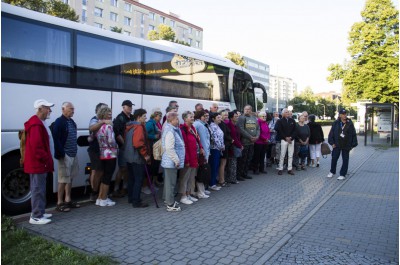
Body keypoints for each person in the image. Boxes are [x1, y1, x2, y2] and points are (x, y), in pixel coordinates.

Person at [25, 99, 55, 224]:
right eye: (47, 108)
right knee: (38, 189)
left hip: (40, 163)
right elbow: (37, 147)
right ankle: (36, 216)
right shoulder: (36, 125)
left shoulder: (40, 123)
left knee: (40, 188)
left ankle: (40, 212)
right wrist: (46, 159)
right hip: (38, 164)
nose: (50, 110)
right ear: (40, 108)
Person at [52, 102, 80, 213]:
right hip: (65, 155)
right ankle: (59, 203)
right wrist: (62, 154)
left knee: (70, 178)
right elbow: (56, 139)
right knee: (63, 179)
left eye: (73, 109)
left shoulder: (71, 122)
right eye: (70, 109)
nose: (73, 111)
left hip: (73, 153)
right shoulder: (59, 122)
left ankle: (68, 199)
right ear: (63, 109)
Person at [124, 109, 151, 208]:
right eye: (144, 116)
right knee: (138, 179)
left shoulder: (129, 126)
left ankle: (131, 198)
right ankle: (136, 201)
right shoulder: (139, 127)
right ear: (139, 117)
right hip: (137, 157)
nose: (145, 118)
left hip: (129, 156)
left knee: (131, 178)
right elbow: (138, 143)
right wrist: (145, 155)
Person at [161, 112, 185, 211]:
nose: (178, 121)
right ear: (171, 120)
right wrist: (176, 160)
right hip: (171, 161)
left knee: (169, 183)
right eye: (176, 119)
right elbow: (169, 148)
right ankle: (170, 204)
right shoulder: (170, 131)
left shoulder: (172, 129)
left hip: (170, 161)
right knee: (171, 183)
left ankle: (167, 200)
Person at [95, 107, 118, 207]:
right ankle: (104, 198)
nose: (110, 115)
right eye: (109, 114)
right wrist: (116, 146)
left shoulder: (99, 125)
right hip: (110, 154)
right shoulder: (108, 126)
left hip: (102, 152)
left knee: (104, 176)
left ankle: (100, 198)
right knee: (107, 177)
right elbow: (111, 141)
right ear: (104, 115)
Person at [179, 111, 203, 204]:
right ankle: (183, 196)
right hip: (188, 158)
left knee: (191, 177)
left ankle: (188, 194)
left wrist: (200, 147)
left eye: (193, 116)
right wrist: (187, 159)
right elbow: (184, 146)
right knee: (184, 178)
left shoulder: (192, 128)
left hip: (194, 157)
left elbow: (197, 139)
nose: (192, 118)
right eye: (190, 117)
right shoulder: (183, 129)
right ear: (185, 119)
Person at [327, 109, 358, 180]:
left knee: (345, 159)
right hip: (337, 144)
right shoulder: (336, 123)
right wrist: (332, 143)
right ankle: (332, 171)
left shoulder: (349, 123)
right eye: (343, 114)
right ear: (340, 115)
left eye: (345, 114)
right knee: (334, 158)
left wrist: (353, 144)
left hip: (346, 144)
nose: (344, 115)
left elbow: (353, 134)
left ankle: (343, 174)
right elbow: (331, 133)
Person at [112, 100, 134, 198]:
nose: (130, 107)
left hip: (132, 147)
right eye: (128, 106)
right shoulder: (119, 118)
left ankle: (125, 188)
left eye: (131, 106)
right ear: (123, 107)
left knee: (128, 169)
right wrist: (125, 145)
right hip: (124, 147)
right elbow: (117, 133)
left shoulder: (132, 117)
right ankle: (116, 189)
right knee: (122, 168)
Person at [88, 103, 109, 201]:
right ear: (98, 111)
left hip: (104, 150)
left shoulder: (107, 120)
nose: (106, 111)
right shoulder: (95, 119)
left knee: (102, 171)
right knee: (96, 171)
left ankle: (101, 193)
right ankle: (93, 192)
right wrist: (103, 122)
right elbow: (92, 128)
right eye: (104, 109)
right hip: (96, 149)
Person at [237, 105, 260, 180]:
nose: (247, 110)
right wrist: (250, 137)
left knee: (249, 159)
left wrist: (257, 136)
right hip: (245, 142)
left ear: (251, 110)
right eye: (245, 109)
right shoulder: (241, 118)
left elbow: (258, 129)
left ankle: (245, 173)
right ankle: (239, 175)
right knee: (242, 159)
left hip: (252, 143)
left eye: (248, 109)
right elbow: (241, 129)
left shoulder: (254, 118)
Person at [193, 110, 211, 198]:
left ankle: (202, 190)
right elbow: (203, 140)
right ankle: (200, 192)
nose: (206, 118)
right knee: (201, 172)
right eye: (204, 116)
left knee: (202, 171)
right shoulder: (199, 125)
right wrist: (206, 153)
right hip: (202, 152)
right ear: (200, 116)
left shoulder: (201, 125)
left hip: (202, 150)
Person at [275, 108, 297, 175]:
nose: (288, 113)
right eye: (286, 112)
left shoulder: (292, 120)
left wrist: (291, 137)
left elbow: (295, 130)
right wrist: (285, 138)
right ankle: (280, 168)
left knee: (290, 155)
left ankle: (289, 169)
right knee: (282, 154)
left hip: (291, 140)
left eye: (288, 112)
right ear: (283, 113)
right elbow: (279, 130)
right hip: (283, 140)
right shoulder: (280, 121)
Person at [145, 108, 163, 187]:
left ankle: (153, 183)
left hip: (155, 148)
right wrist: (154, 136)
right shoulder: (150, 123)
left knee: (155, 166)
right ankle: (148, 185)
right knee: (151, 167)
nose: (160, 118)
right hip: (151, 147)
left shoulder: (155, 123)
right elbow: (144, 134)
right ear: (155, 116)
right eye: (159, 116)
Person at [225, 110, 243, 184]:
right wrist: (240, 145)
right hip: (232, 146)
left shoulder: (235, 125)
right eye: (235, 116)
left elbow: (238, 136)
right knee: (232, 163)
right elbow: (234, 137)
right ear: (231, 118)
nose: (237, 118)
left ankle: (232, 177)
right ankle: (231, 178)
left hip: (236, 145)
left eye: (237, 116)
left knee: (234, 162)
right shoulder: (230, 125)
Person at [209, 112, 225, 191]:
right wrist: (221, 146)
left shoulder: (217, 126)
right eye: (218, 117)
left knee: (216, 166)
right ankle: (212, 184)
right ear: (213, 119)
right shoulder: (212, 126)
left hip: (218, 149)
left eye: (220, 117)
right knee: (214, 166)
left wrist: (222, 145)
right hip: (214, 149)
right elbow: (214, 138)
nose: (220, 119)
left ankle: (213, 183)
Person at [218, 110, 232, 186]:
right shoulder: (221, 124)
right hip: (224, 146)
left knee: (224, 163)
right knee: (222, 163)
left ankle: (222, 179)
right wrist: (231, 139)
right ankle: (221, 180)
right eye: (225, 115)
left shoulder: (223, 123)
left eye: (227, 115)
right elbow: (224, 135)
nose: (226, 116)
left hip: (225, 145)